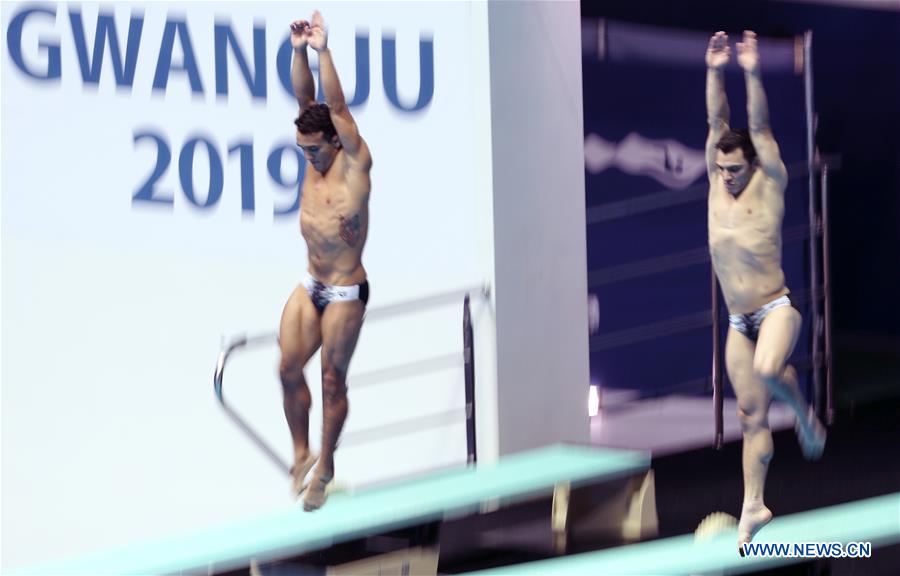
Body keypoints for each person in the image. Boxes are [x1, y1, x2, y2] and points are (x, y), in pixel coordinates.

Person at [705, 30, 826, 548]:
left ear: (753, 164)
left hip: (777, 309)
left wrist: (751, 70)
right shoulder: (717, 178)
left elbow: (757, 124)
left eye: (734, 169)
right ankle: (753, 504)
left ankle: (804, 415)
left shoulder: (769, 178)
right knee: (750, 414)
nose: (726, 177)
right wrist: (714, 69)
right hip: (739, 322)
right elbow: (717, 123)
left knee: (768, 370)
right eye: (720, 169)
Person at [280, 10, 372, 512]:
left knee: (332, 379)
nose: (309, 160)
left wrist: (323, 50)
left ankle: (327, 466)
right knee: (288, 368)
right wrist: (297, 53)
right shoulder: (314, 142)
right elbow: (307, 100)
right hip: (311, 281)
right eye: (302, 151)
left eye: (315, 151)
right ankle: (301, 455)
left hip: (344, 291)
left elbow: (333, 103)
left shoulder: (353, 161)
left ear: (337, 140)